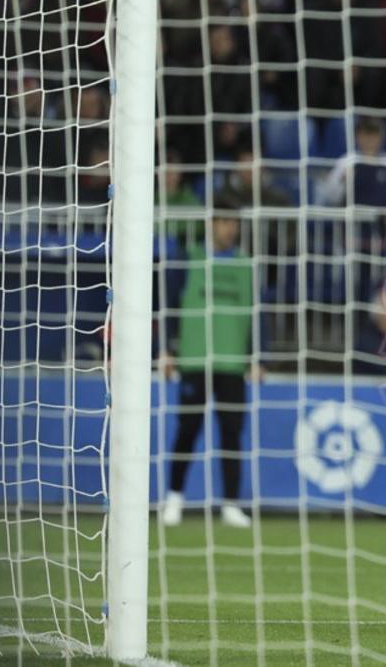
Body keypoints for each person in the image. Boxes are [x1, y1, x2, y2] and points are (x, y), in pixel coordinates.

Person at [160, 198, 261, 529]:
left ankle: (230, 504)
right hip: (194, 357)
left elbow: (258, 313)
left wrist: (259, 355)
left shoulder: (246, 264)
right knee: (188, 430)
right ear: (211, 223)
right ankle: (174, 498)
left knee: (232, 433)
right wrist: (167, 349)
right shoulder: (189, 259)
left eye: (234, 222)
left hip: (233, 362)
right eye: (223, 221)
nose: (229, 228)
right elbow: (170, 304)